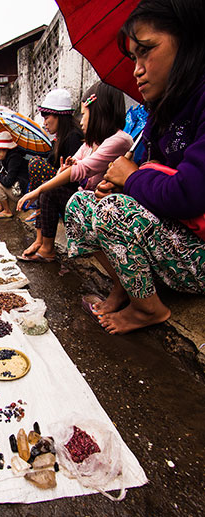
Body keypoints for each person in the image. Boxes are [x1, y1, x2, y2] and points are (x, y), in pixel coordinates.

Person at [64, 0, 205, 334]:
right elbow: (153, 175)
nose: (137, 70)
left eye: (146, 51)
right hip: (171, 236)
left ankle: (149, 310)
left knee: (114, 210)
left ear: (187, 44)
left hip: (198, 252)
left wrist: (131, 177)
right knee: (80, 204)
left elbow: (189, 194)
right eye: (133, 58)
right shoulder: (162, 112)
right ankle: (125, 286)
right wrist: (124, 180)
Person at [17, 81, 133, 261]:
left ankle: (46, 246)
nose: (81, 120)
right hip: (84, 200)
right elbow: (75, 164)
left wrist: (38, 190)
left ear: (98, 113)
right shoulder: (90, 142)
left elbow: (83, 168)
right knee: (50, 189)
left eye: (84, 114)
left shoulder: (119, 140)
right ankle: (44, 243)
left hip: (98, 205)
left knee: (48, 189)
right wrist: (64, 169)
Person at [24, 88, 84, 224]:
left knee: (36, 164)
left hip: (71, 189)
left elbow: (73, 173)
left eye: (46, 118)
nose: (44, 123)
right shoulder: (60, 138)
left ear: (59, 117)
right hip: (62, 182)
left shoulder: (73, 136)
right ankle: (40, 224)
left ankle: (39, 213)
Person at [0, 132, 29, 218]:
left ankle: (7, 211)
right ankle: (1, 208)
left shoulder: (14, 159)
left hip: (21, 193)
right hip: (17, 188)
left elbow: (8, 181)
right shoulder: (7, 158)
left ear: (6, 149)